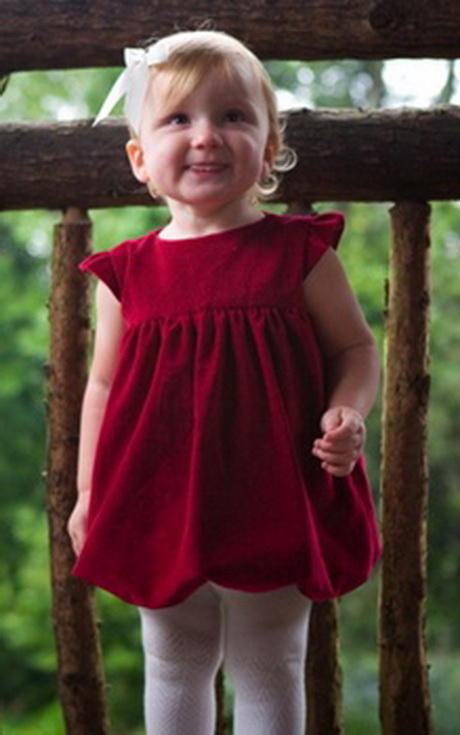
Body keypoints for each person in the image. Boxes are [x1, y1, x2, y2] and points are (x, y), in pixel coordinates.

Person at [67, 29, 381, 735]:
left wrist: (347, 411)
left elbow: (356, 349)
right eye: (178, 118)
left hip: (272, 492)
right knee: (173, 658)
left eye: (233, 116)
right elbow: (103, 387)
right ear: (141, 159)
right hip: (159, 493)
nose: (206, 136)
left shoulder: (299, 253)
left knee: (270, 660)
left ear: (269, 148)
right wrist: (91, 490)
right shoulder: (126, 274)